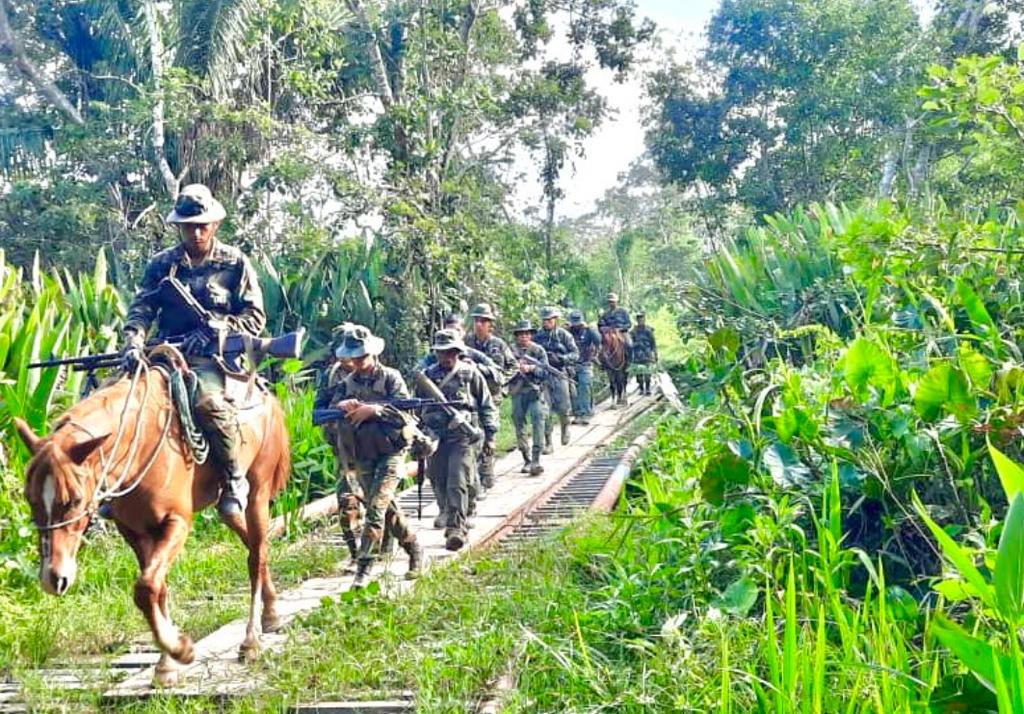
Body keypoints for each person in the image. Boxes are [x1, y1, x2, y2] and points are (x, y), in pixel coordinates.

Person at [121, 183, 265, 518]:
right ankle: (113, 491)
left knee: (208, 403)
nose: (196, 232)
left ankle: (233, 477)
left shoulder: (235, 263)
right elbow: (142, 308)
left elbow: (255, 317)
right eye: (189, 225)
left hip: (212, 359)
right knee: (117, 397)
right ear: (179, 226)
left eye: (203, 224)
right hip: (166, 351)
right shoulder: (162, 265)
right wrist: (133, 341)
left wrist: (218, 329)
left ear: (215, 224)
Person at [326, 326, 424, 587]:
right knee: (386, 508)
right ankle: (414, 548)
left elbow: (407, 414)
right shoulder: (346, 384)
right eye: (354, 358)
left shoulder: (391, 378)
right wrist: (341, 406)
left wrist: (375, 411)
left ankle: (364, 568)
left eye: (362, 357)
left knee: (375, 510)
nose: (358, 362)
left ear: (373, 354)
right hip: (364, 455)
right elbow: (327, 413)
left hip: (391, 452)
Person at [416, 329, 498, 551]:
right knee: (438, 479)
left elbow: (486, 405)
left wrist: (490, 435)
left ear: (458, 352)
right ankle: (448, 511)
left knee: (458, 480)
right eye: (443, 352)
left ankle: (456, 529)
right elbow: (417, 408)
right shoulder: (427, 377)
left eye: (451, 352)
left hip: (462, 437)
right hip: (435, 437)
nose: (447, 357)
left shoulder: (470, 374)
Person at [315, 322, 364, 564]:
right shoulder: (331, 376)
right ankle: (356, 555)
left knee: (383, 506)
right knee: (346, 504)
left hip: (373, 447)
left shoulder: (376, 372)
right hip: (344, 451)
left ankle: (384, 546)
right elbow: (318, 410)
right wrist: (337, 410)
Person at [464, 303, 517, 493]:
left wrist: (503, 386)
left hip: (492, 396)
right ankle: (476, 478)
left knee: (488, 434)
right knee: (473, 434)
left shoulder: (498, 344)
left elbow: (511, 366)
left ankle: (487, 475)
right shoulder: (465, 343)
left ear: (490, 325)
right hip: (471, 396)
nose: (479, 324)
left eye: (484, 321)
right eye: (477, 320)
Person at [533, 306, 578, 452]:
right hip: (543, 376)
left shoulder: (564, 335)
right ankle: (548, 442)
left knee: (564, 407)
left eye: (549, 320)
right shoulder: (537, 337)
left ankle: (565, 428)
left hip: (559, 373)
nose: (546, 323)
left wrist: (562, 358)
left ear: (555, 320)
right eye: (544, 320)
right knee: (545, 409)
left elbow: (575, 354)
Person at [508, 320, 549, 475]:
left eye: (527, 333)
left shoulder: (538, 350)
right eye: (521, 334)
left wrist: (532, 368)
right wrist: (516, 368)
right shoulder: (510, 351)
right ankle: (526, 458)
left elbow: (545, 372)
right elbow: (503, 369)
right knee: (519, 425)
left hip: (535, 392)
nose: (524, 336)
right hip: (518, 392)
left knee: (538, 422)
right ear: (517, 336)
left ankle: (536, 459)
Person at [567, 310, 601, 425]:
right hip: (572, 364)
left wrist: (594, 355)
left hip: (585, 363)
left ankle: (586, 413)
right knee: (573, 390)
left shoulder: (588, 331)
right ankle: (578, 413)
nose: (576, 325)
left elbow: (598, 342)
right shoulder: (567, 332)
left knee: (585, 386)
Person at [630, 311, 658, 396]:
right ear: (637, 320)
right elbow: (630, 344)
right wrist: (636, 344)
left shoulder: (648, 330)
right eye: (639, 319)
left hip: (647, 353)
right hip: (637, 354)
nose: (640, 321)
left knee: (647, 373)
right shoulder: (633, 331)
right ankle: (641, 388)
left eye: (642, 319)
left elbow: (653, 343)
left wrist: (655, 354)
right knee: (639, 374)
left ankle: (648, 388)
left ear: (644, 319)